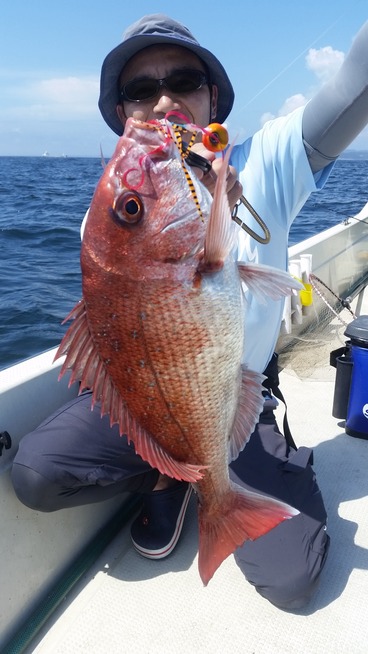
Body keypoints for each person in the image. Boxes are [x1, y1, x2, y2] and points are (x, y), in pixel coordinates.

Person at [11, 14, 368, 610]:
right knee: (36, 474)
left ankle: (202, 477)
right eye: (140, 90)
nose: (165, 99)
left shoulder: (267, 161)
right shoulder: (111, 215)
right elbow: (109, 336)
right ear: (122, 113)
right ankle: (171, 474)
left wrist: (218, 220)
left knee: (293, 579)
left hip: (232, 401)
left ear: (212, 97)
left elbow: (355, 83)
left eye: (183, 79)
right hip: (147, 403)